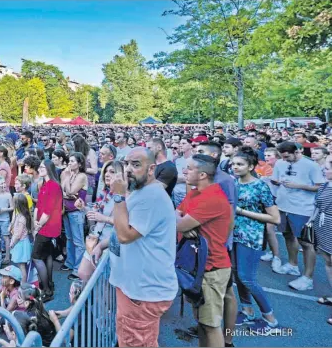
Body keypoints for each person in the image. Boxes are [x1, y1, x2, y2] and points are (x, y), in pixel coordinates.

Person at [109, 147, 176, 347]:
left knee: (134, 342)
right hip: (137, 288)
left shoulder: (151, 196)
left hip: (142, 292)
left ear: (151, 169)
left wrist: (119, 196)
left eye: (136, 164)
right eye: (126, 164)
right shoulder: (143, 191)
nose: (128, 169)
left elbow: (125, 235)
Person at [176, 154, 233, 347]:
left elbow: (179, 223)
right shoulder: (194, 192)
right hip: (198, 267)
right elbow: (176, 214)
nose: (185, 171)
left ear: (202, 175)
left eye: (189, 168)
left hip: (212, 268)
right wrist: (182, 222)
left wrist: (183, 223)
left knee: (211, 325)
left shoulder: (213, 198)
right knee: (201, 322)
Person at [230, 147, 282, 333]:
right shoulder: (234, 183)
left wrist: (242, 212)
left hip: (251, 237)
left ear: (251, 166)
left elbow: (275, 218)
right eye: (233, 163)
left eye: (240, 164)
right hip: (234, 235)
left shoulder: (260, 186)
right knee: (237, 274)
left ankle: (270, 319)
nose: (235, 167)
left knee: (247, 277)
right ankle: (247, 310)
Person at [272, 142, 325, 291]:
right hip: (283, 205)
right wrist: (276, 182)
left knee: (306, 243)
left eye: (288, 156)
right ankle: (292, 264)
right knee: (287, 235)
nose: (285, 159)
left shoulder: (311, 165)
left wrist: (299, 186)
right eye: (283, 157)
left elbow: (320, 186)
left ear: (296, 152)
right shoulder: (280, 163)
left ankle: (307, 278)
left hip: (302, 208)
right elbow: (275, 179)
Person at [80, 160, 124, 282]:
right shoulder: (105, 193)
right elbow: (95, 212)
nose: (107, 174)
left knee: (103, 282)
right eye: (106, 171)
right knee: (83, 273)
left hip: (109, 243)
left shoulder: (125, 196)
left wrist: (104, 218)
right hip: (95, 240)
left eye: (112, 172)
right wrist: (83, 207)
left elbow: (126, 224)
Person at [33, 160, 63, 302]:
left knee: (37, 256)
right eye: (39, 167)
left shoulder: (54, 186)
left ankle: (47, 290)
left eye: (42, 167)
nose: (40, 169)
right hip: (43, 225)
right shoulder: (45, 185)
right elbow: (38, 205)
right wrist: (35, 221)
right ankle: (49, 284)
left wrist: (38, 226)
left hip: (48, 227)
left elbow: (48, 211)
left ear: (49, 169)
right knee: (47, 255)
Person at [60, 152, 88, 280]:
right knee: (69, 238)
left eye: (72, 161)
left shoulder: (81, 176)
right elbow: (63, 191)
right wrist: (67, 192)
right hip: (67, 209)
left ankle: (78, 269)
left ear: (79, 163)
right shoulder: (70, 174)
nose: (69, 163)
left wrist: (68, 189)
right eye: (69, 161)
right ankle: (70, 263)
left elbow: (70, 191)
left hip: (76, 211)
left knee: (78, 241)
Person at [313, 155, 332, 326]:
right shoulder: (326, 185)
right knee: (328, 262)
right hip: (324, 226)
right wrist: (311, 220)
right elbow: (317, 205)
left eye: (327, 168)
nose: (324, 170)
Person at [10, 193, 33, 283]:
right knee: (21, 266)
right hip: (22, 242)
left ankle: (23, 285)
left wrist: (12, 244)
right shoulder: (21, 215)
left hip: (20, 244)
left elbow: (18, 235)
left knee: (22, 266)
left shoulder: (21, 218)